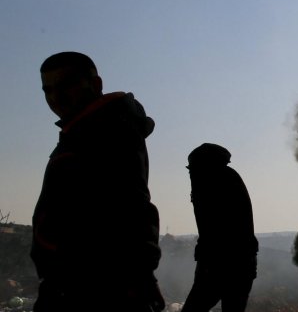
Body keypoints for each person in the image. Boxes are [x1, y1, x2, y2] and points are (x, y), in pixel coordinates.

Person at [32, 52, 164, 312]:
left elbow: (135, 210)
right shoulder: (87, 131)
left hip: (90, 291)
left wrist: (134, 283)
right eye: (48, 90)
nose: (55, 98)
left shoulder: (107, 134)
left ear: (95, 85)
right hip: (75, 286)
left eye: (65, 85)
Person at [182, 143, 259, 312]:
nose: (190, 173)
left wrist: (206, 264)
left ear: (204, 166)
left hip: (222, 265)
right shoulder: (227, 177)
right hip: (238, 264)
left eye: (192, 169)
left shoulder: (211, 182)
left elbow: (213, 229)